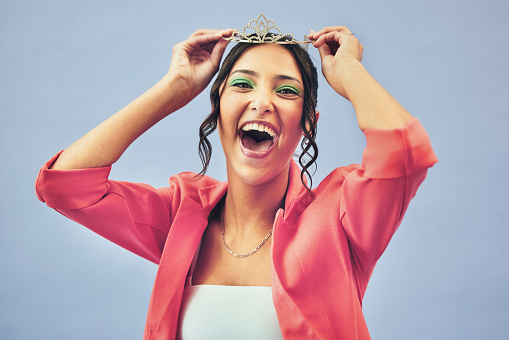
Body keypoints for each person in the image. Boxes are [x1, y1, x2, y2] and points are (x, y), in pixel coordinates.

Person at [35, 15, 437, 340]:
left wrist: (348, 70)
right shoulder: (182, 215)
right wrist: (174, 87)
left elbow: (405, 153)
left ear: (308, 126)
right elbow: (64, 186)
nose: (261, 102)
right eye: (242, 85)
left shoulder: (339, 216)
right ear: (218, 109)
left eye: (286, 91)